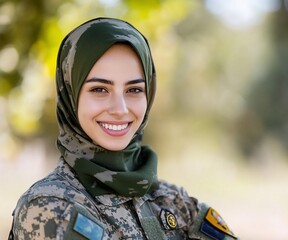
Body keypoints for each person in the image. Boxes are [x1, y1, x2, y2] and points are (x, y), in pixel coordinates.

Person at [9, 17, 238, 240]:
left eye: (134, 90)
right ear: (70, 94)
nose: (120, 109)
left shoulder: (175, 203)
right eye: (99, 89)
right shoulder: (49, 207)